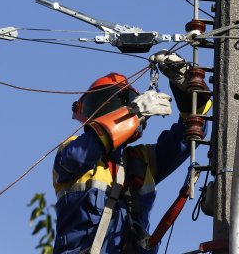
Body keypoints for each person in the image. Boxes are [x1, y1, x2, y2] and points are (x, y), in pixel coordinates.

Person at [52, 51, 212, 253]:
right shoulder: (71, 149)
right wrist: (133, 113)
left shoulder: (139, 161)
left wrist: (185, 85)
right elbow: (78, 156)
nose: (114, 110)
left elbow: (190, 134)